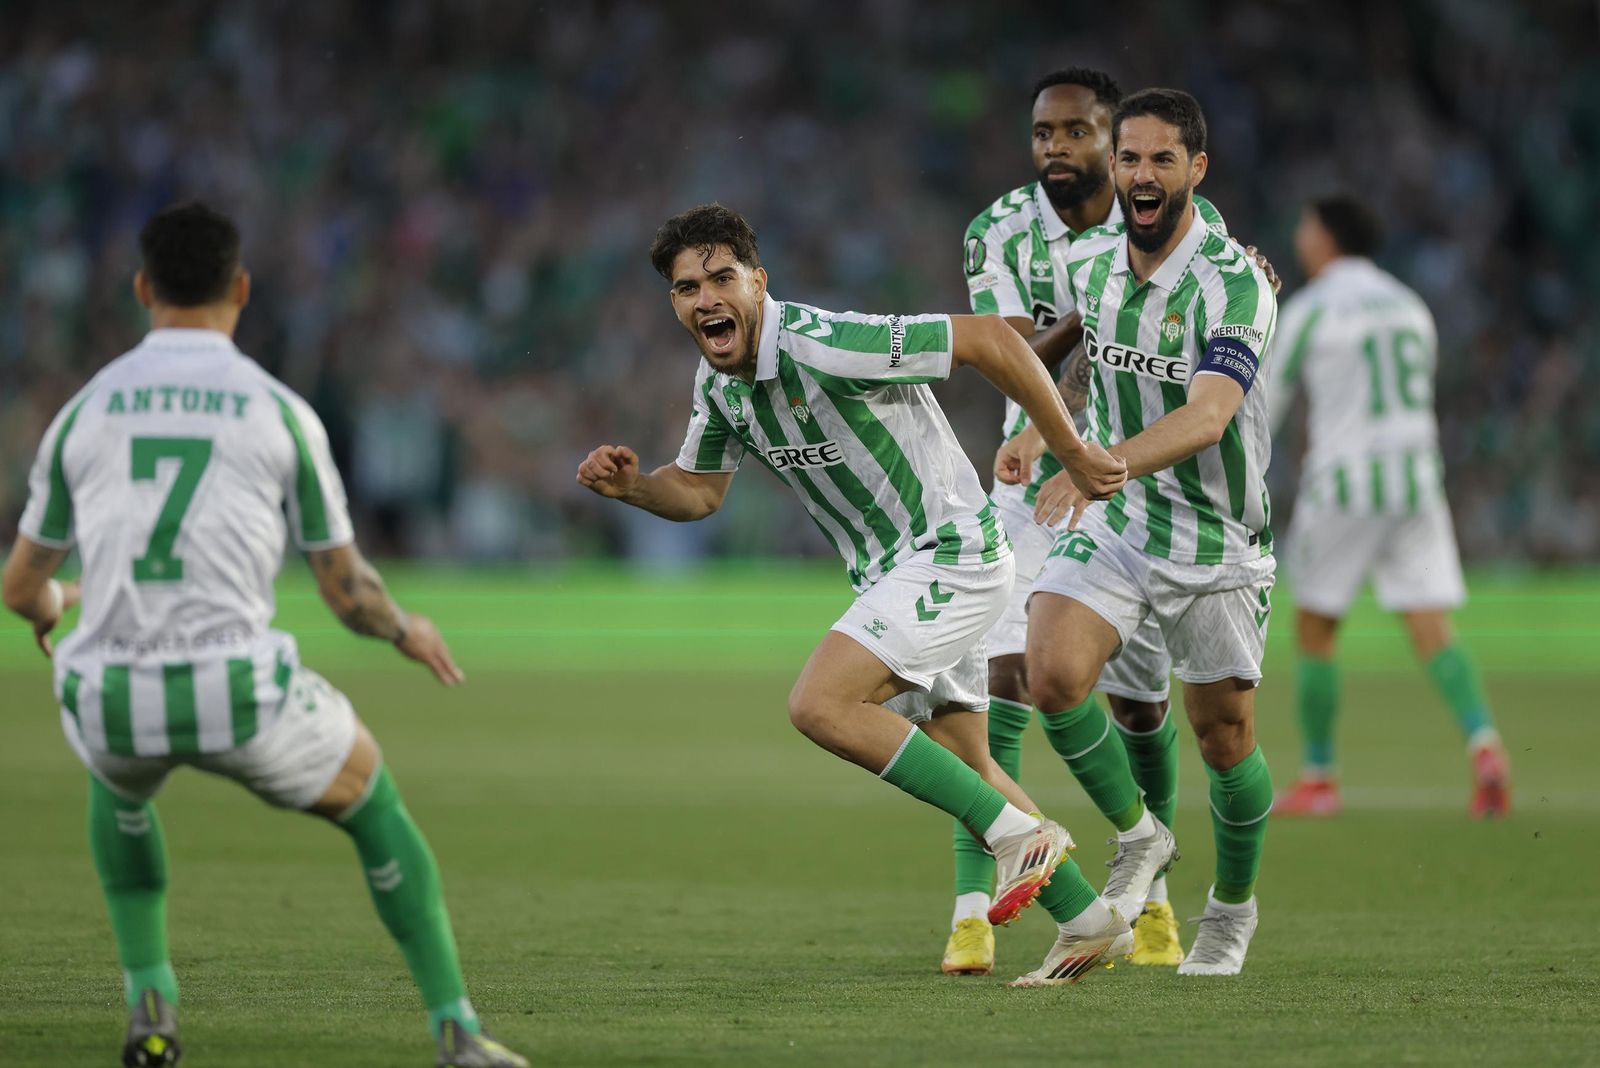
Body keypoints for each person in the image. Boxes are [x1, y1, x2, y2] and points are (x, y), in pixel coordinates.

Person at [1, 202, 528, 1068]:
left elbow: (20, 589)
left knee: (115, 778)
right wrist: (406, 629)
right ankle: (456, 1030)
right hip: (237, 691)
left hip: (112, 695)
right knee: (374, 804)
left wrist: (60, 602)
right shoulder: (278, 411)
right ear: (241, 290)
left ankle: (150, 1001)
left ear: (142, 289)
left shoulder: (82, 413)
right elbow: (346, 592)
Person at [578, 203, 1135, 986]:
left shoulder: (821, 341)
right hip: (897, 575)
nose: (705, 299)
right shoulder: (721, 386)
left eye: (721, 278)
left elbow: (988, 339)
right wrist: (635, 487)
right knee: (967, 762)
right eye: (686, 288)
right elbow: (700, 491)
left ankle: (1019, 838)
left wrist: (1070, 450)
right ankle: (1088, 920)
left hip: (950, 555)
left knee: (821, 704)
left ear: (758, 281)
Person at [948, 67, 1264, 976]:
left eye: (1159, 158)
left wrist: (1092, 462)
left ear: (1195, 168)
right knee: (1034, 676)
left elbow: (1209, 416)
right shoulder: (1074, 255)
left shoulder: (1233, 279)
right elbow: (1057, 340)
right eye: (1130, 158)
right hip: (1108, 508)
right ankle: (1122, 845)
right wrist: (1038, 434)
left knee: (1212, 733)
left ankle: (1218, 909)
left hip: (1208, 531)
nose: (1138, 173)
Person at [1267, 194, 1510, 819]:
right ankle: (1484, 743)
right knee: (1431, 625)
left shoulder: (1312, 308)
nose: (1300, 237)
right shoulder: (1409, 305)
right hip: (1416, 479)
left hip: (1344, 483)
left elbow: (1265, 402)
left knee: (1315, 628)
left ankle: (1319, 776)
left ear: (1326, 236)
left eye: (1306, 226)